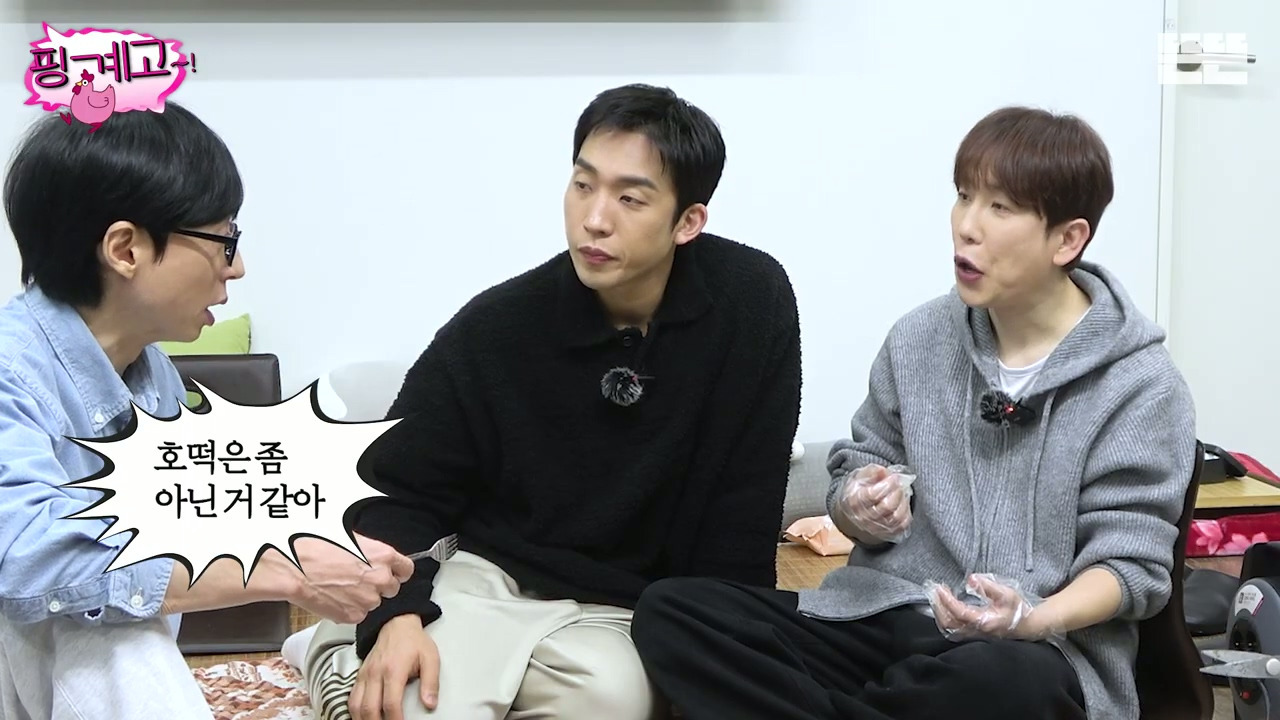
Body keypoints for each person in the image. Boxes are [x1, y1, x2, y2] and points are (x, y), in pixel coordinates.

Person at [629, 105, 1198, 720]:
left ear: (1068, 239)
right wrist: (859, 505)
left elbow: (1130, 565)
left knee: (1006, 685)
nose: (966, 226)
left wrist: (1030, 619)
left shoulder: (1141, 385)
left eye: (1000, 208)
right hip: (883, 616)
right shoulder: (919, 338)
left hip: (1031, 648)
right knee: (673, 611)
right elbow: (857, 473)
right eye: (964, 196)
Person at [296, 83, 802, 720]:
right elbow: (394, 489)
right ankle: (337, 652)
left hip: (626, 609)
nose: (595, 218)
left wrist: (726, 666)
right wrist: (396, 618)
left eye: (630, 198)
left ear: (687, 222)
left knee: (616, 699)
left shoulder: (751, 302)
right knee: (409, 697)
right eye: (583, 185)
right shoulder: (498, 327)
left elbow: (745, 509)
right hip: (488, 577)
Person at [0, 103, 415, 719]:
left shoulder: (149, 374)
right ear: (125, 249)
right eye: (224, 241)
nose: (236, 267)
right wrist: (287, 571)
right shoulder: (11, 370)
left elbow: (203, 505)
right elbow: (30, 558)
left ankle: (309, 648)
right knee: (95, 623)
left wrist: (324, 546)